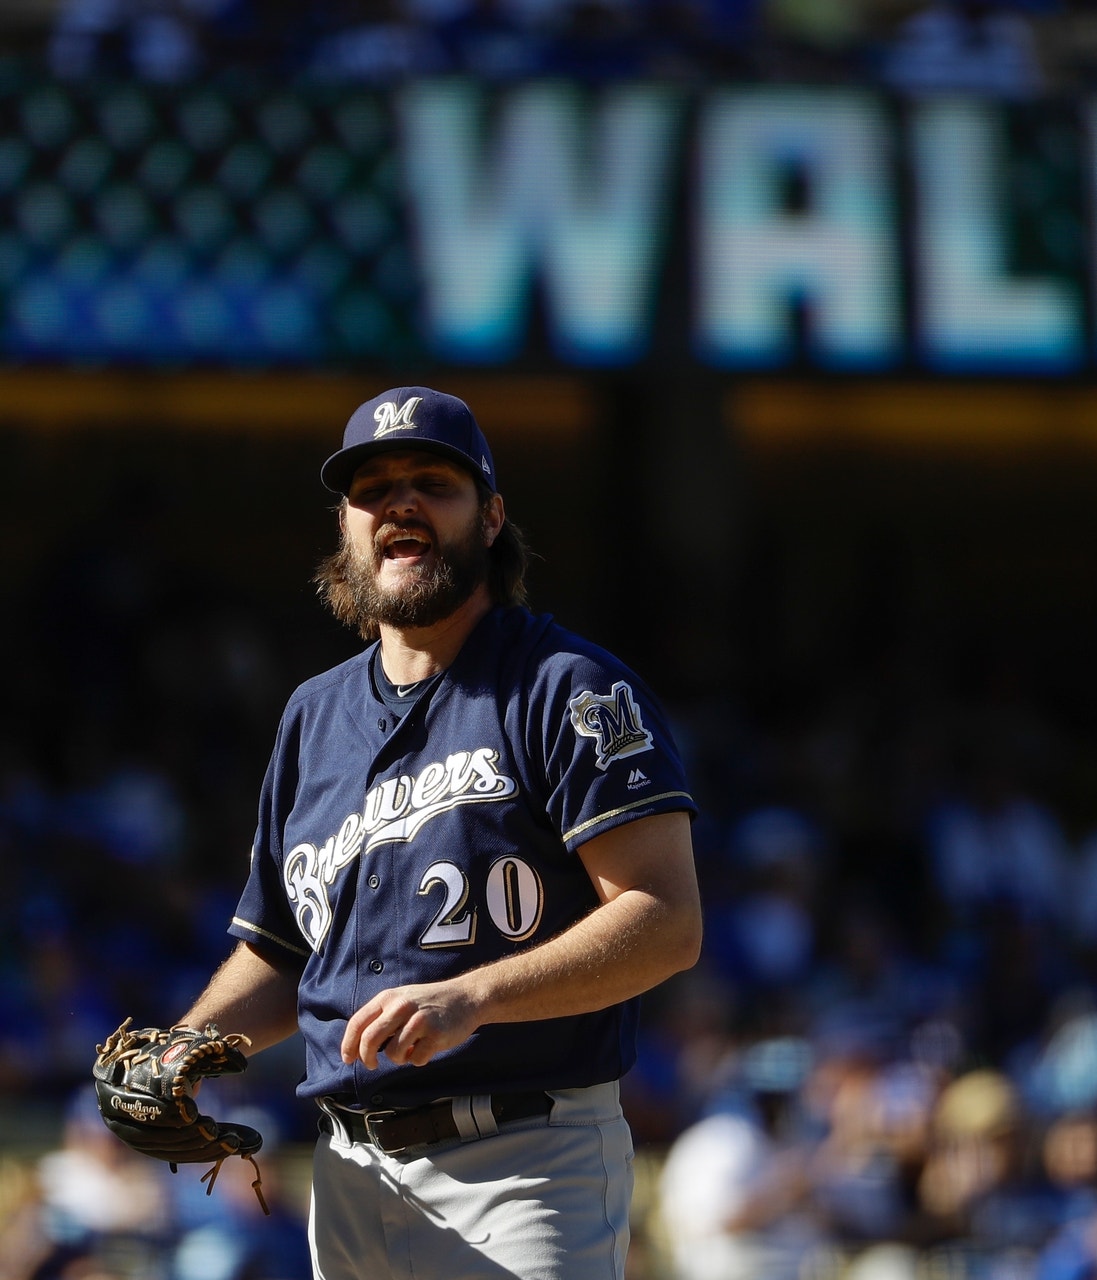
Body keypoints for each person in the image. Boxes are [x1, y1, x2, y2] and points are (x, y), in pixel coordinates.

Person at [151, 385, 703, 1279]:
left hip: (524, 1163)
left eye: (431, 482)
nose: (398, 502)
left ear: (490, 518)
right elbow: (288, 951)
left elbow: (665, 920)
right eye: (372, 488)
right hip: (349, 1172)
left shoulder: (568, 686)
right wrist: (190, 1046)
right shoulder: (313, 715)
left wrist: (470, 998)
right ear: (347, 527)